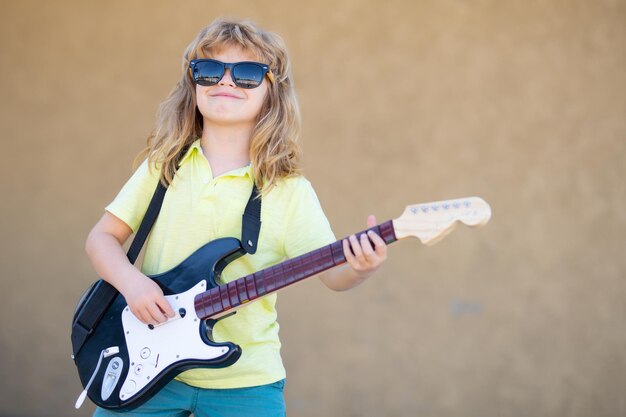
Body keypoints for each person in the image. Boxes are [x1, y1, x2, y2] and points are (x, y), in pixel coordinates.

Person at [85, 18, 387, 417]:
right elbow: (101, 238)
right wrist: (133, 284)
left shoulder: (289, 191)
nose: (225, 82)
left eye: (246, 73)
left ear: (271, 93)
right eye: (209, 70)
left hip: (245, 383)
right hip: (147, 371)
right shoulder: (164, 166)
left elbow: (332, 274)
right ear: (192, 85)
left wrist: (360, 267)